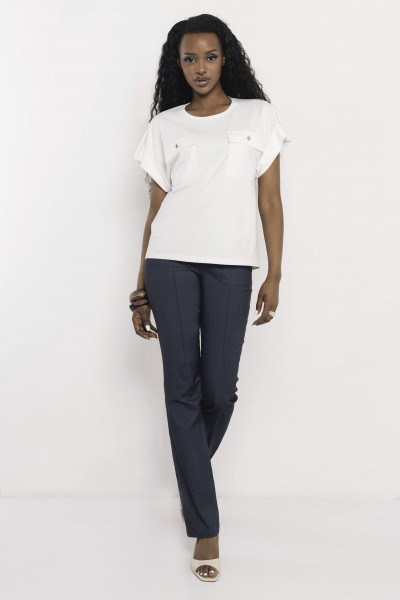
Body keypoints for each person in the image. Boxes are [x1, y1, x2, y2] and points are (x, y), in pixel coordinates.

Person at [130, 14, 291, 582]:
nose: (200, 68)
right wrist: (140, 288)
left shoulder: (258, 116)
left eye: (210, 56)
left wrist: (274, 274)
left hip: (232, 267)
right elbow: (155, 211)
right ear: (177, 64)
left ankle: (190, 484)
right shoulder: (165, 126)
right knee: (181, 390)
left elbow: (270, 202)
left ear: (227, 59)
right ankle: (206, 527)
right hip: (170, 263)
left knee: (220, 390)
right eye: (189, 58)